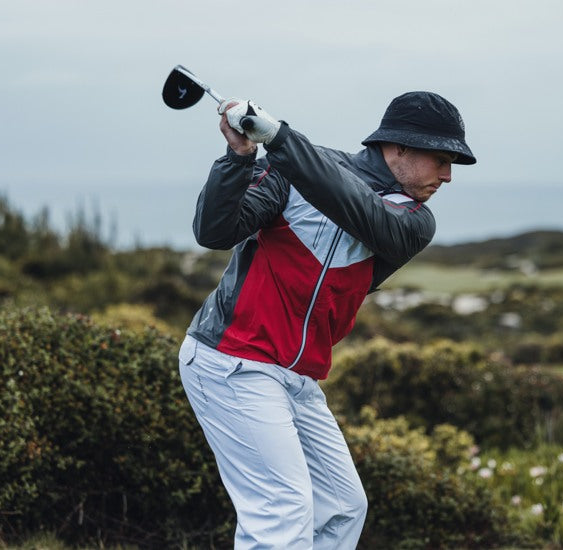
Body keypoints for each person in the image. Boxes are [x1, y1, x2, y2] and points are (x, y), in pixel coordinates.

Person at [177, 90, 476, 549]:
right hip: (231, 360)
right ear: (397, 147)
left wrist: (281, 140)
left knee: (342, 508)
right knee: (283, 508)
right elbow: (214, 231)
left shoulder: (414, 221)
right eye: (440, 159)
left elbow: (361, 211)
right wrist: (240, 158)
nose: (448, 175)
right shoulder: (291, 170)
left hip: (296, 377)